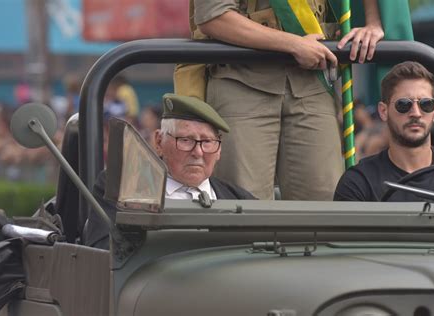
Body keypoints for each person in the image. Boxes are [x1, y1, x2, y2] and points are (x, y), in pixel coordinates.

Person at [193, 0, 384, 200]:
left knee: (323, 208)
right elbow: (213, 16)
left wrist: (374, 23)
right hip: (242, 79)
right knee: (244, 207)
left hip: (313, 81)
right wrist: (292, 44)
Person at [85, 93, 255, 248]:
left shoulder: (242, 201)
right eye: (186, 140)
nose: (198, 152)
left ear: (219, 150)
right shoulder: (121, 189)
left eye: (207, 142)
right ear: (159, 142)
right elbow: (102, 252)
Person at [334, 61, 434, 201]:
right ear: (383, 111)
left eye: (425, 104)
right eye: (403, 104)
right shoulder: (359, 182)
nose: (416, 113)